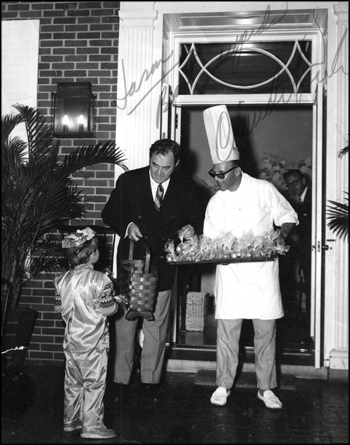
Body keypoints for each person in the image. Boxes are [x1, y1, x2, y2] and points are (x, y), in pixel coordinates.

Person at [202, 105, 298, 409]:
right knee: (227, 334)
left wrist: (280, 234)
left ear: (238, 171)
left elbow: (289, 216)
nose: (216, 178)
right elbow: (210, 240)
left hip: (262, 276)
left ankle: (266, 387)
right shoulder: (215, 202)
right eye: (214, 173)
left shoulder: (263, 189)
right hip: (230, 275)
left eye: (221, 173)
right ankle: (223, 384)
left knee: (265, 332)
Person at [101, 138, 204, 402]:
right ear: (149, 159)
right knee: (126, 324)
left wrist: (190, 228)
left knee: (156, 326)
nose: (159, 173)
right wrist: (127, 226)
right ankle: (121, 381)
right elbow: (108, 213)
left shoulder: (186, 186)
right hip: (133, 263)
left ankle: (150, 382)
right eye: (154, 166)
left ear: (176, 164)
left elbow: (196, 217)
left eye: (166, 168)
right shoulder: (129, 181)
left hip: (164, 265)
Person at [54, 227, 118, 440]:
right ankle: (92, 425)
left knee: (73, 382)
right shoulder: (101, 280)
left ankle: (70, 421)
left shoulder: (61, 280)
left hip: (71, 341)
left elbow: (59, 307)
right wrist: (117, 302)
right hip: (94, 343)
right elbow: (108, 309)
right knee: (94, 382)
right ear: (92, 254)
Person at [283, 169, 312, 319]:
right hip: (305, 253)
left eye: (295, 182)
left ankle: (311, 327)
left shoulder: (313, 198)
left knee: (311, 290)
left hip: (313, 252)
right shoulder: (299, 201)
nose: (293, 187)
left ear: (303, 181)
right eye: (289, 185)